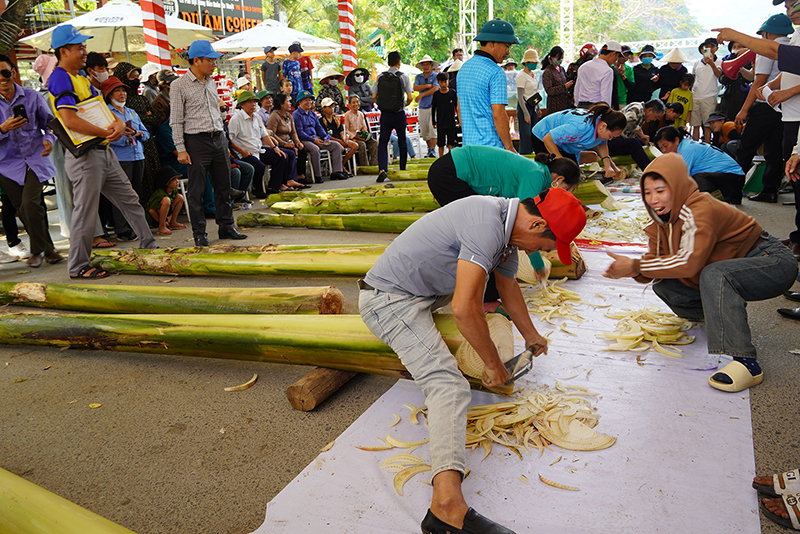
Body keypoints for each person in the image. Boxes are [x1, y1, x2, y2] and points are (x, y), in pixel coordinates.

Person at [359, 188, 586, 534]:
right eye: (541, 247)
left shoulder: (507, 233)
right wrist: (493, 363)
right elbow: (465, 309)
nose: (534, 253)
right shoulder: (486, 222)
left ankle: (447, 505)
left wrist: (531, 335)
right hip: (390, 301)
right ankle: (446, 508)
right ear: (537, 223)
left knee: (476, 315)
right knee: (448, 386)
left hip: (424, 295)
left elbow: (508, 288)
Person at [604, 153, 797, 394]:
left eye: (661, 190)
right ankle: (719, 317)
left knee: (715, 274)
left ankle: (747, 363)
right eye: (648, 192)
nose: (654, 199)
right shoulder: (660, 222)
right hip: (736, 265)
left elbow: (689, 264)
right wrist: (632, 269)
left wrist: (635, 265)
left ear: (677, 185)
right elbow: (657, 262)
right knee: (665, 286)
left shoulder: (700, 208)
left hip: (771, 261)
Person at [47, 26, 156, 278]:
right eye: (79, 47)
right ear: (63, 51)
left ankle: (149, 247)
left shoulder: (83, 79)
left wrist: (117, 125)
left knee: (130, 200)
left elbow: (102, 110)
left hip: (104, 152)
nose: (85, 52)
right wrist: (106, 131)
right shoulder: (60, 77)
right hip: (86, 155)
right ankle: (77, 267)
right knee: (85, 212)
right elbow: (69, 120)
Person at [427, 145, 583, 302]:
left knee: (488, 237)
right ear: (558, 180)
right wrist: (538, 265)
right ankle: (482, 299)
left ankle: (484, 291)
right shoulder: (537, 175)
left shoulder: (539, 173)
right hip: (450, 174)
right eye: (567, 189)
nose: (565, 194)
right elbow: (523, 221)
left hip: (452, 171)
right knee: (480, 237)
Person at [171, 39, 247, 246]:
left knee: (224, 186)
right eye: (210, 60)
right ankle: (200, 233)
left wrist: (223, 135)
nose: (214, 64)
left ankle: (226, 226)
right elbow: (176, 120)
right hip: (195, 142)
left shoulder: (211, 82)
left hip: (218, 139)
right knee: (197, 191)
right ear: (196, 61)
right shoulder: (178, 85)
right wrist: (181, 149)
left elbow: (215, 110)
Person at [0, 54, 63, 268]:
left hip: (36, 159)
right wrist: (3, 129)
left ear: (14, 73)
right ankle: (50, 249)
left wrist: (48, 139)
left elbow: (50, 125)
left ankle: (37, 251)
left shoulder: (32, 97)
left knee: (30, 203)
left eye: (5, 72)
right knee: (27, 209)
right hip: (6, 165)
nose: (2, 78)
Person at [731, 15, 793, 203]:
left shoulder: (767, 49)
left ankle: (732, 192)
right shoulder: (791, 45)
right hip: (785, 106)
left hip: (765, 105)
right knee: (774, 150)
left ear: (767, 32)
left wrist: (744, 110)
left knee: (745, 149)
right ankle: (770, 190)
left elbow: (759, 81)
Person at [457, 19, 519, 151]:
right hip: (492, 149)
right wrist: (509, 147)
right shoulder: (496, 72)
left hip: (469, 148)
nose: (508, 52)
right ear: (491, 43)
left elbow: (459, 107)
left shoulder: (464, 68)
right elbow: (498, 114)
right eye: (507, 46)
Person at [102, 76, 150, 241]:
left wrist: (140, 134)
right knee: (121, 195)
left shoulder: (132, 112)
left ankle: (135, 226)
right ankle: (121, 229)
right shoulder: (107, 113)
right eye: (117, 91)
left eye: (124, 90)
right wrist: (123, 135)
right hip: (120, 158)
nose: (122, 94)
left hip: (138, 155)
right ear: (109, 94)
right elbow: (107, 136)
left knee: (135, 193)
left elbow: (146, 133)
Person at [654, 126, 746, 204]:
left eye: (665, 146)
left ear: (676, 140)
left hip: (733, 179)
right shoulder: (684, 146)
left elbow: (681, 178)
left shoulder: (686, 149)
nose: (663, 151)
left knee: (697, 179)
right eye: (661, 148)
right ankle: (727, 197)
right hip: (731, 179)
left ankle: (715, 202)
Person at [531, 103, 626, 177]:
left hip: (565, 144)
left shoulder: (601, 128)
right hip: (542, 135)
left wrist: (608, 165)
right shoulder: (580, 127)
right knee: (558, 173)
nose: (610, 139)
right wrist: (561, 161)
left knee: (573, 175)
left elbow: (602, 144)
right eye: (611, 136)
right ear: (603, 126)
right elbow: (548, 139)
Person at [373, 50, 413, 182]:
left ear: (388, 63)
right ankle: (402, 169)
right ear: (399, 62)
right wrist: (403, 104)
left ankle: (382, 169)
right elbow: (410, 97)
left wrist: (383, 106)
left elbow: (374, 97)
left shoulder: (380, 77)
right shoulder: (403, 77)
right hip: (399, 113)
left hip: (385, 114)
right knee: (402, 141)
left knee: (383, 142)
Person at [293, 90, 347, 182]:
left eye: (310, 100)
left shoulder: (313, 114)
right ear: (300, 102)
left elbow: (319, 129)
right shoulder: (296, 115)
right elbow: (300, 132)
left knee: (336, 145)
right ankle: (317, 175)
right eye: (306, 100)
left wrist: (326, 138)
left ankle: (336, 172)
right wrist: (314, 140)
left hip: (316, 137)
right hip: (304, 140)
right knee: (315, 149)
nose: (309, 102)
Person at [607, 99, 665, 170]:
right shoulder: (637, 109)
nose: (654, 119)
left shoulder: (641, 111)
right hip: (609, 142)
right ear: (650, 110)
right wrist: (641, 135)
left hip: (617, 140)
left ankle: (649, 165)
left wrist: (642, 137)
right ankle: (649, 170)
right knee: (634, 144)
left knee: (641, 142)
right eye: (655, 116)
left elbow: (637, 127)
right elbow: (626, 122)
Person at [267, 93, 307, 185]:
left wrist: (297, 142)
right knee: (290, 153)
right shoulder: (274, 116)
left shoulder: (289, 116)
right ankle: (289, 180)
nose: (290, 104)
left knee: (302, 149)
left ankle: (299, 176)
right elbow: (271, 134)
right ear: (281, 104)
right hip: (277, 144)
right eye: (287, 102)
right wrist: (283, 144)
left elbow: (293, 132)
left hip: (288, 143)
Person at [690, 38, 722, 141]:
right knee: (695, 124)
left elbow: (719, 76)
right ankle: (695, 145)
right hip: (696, 96)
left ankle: (707, 146)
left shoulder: (720, 61)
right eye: (706, 47)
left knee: (708, 125)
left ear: (716, 48)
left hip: (709, 96)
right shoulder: (696, 62)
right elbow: (693, 78)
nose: (709, 49)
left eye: (711, 47)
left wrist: (711, 63)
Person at [574, 41, 620, 108]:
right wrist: (606, 111)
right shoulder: (607, 70)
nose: (616, 60)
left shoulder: (583, 66)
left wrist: (576, 105)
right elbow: (605, 96)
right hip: (596, 108)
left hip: (581, 106)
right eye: (617, 57)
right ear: (613, 54)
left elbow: (577, 89)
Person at [718, 41, 754, 121]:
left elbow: (750, 79)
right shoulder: (727, 61)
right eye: (734, 47)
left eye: (739, 46)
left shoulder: (749, 62)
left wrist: (741, 68)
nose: (736, 49)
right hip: (729, 96)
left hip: (743, 95)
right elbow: (722, 80)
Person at [319, 96, 358, 170]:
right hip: (329, 141)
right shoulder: (321, 121)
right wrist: (339, 141)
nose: (332, 109)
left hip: (339, 139)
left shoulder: (337, 119)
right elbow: (325, 136)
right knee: (341, 148)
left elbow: (341, 131)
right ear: (323, 109)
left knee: (354, 146)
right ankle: (340, 167)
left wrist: (343, 139)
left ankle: (342, 164)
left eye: (332, 106)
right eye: (329, 107)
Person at [414, 54, 440, 158]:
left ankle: (432, 150)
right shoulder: (418, 76)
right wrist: (428, 86)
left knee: (433, 128)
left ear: (431, 65)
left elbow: (435, 88)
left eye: (427, 64)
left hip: (433, 105)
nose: (425, 66)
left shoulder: (436, 76)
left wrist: (422, 94)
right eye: (423, 64)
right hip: (422, 107)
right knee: (425, 130)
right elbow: (415, 87)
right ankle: (430, 150)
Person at [146, 166, 186, 235]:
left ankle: (173, 222)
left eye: (177, 179)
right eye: (174, 179)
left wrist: (170, 217)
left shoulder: (173, 191)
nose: (177, 181)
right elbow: (152, 211)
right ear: (166, 182)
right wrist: (162, 222)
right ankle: (162, 227)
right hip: (155, 219)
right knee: (166, 200)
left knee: (180, 197)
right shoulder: (159, 194)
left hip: (167, 217)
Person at [516, 48, 540, 154]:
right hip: (524, 106)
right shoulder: (521, 76)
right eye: (532, 62)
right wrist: (526, 113)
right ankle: (525, 154)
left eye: (535, 62)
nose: (534, 64)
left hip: (533, 105)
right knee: (526, 134)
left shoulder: (532, 74)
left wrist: (537, 107)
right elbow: (520, 96)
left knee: (534, 132)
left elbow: (534, 92)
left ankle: (533, 152)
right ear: (526, 62)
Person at [343, 94, 378, 166]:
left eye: (357, 102)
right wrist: (355, 136)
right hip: (352, 138)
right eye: (353, 102)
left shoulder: (361, 114)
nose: (356, 104)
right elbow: (346, 130)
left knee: (375, 143)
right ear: (349, 104)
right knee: (362, 145)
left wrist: (365, 134)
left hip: (361, 136)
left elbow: (364, 127)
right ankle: (364, 166)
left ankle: (374, 164)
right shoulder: (347, 115)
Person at [431, 73, 459, 157]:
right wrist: (433, 121)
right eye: (441, 82)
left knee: (451, 142)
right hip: (440, 122)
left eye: (445, 81)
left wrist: (458, 118)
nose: (444, 84)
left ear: (448, 81)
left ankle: (451, 158)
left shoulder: (452, 93)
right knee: (441, 143)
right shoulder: (436, 94)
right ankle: (441, 158)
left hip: (451, 121)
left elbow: (457, 107)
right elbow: (433, 109)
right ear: (438, 82)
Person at [541, 46, 571, 114]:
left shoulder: (562, 69)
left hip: (565, 105)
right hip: (554, 107)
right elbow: (549, 90)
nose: (560, 60)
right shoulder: (548, 71)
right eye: (559, 58)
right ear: (552, 57)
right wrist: (564, 87)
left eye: (562, 58)